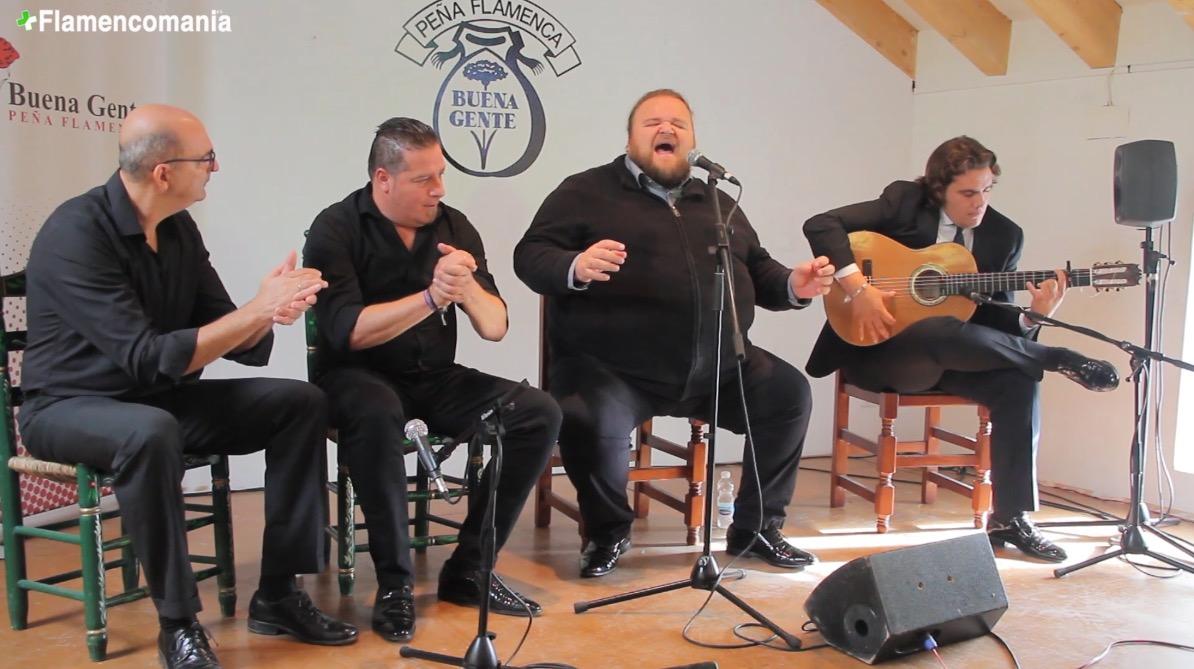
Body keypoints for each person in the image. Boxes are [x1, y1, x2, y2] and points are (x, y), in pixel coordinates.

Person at [18, 104, 357, 669]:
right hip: (68, 406)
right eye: (206, 159)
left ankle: (278, 593)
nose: (215, 168)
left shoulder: (176, 229)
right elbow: (147, 357)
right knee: (149, 432)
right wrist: (254, 311)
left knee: (299, 402)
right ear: (163, 173)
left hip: (154, 398)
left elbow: (227, 327)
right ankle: (177, 622)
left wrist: (272, 309)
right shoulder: (76, 232)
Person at [513, 89, 834, 578]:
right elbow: (530, 255)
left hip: (719, 364)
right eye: (653, 123)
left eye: (678, 124)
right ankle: (607, 533)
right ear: (629, 138)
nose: (667, 130)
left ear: (692, 140)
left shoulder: (719, 200)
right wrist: (574, 265)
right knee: (589, 419)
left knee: (789, 396)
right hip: (613, 367)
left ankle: (756, 530)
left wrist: (794, 284)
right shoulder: (584, 191)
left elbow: (757, 267)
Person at [803, 135, 1120, 563]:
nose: (980, 203)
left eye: (987, 189)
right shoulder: (905, 202)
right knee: (940, 327)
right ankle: (1056, 358)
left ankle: (1010, 518)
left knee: (1017, 377)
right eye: (968, 193)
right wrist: (857, 288)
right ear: (938, 190)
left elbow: (993, 324)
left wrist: (1033, 317)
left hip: (953, 355)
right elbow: (820, 224)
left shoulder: (1004, 235)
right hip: (879, 350)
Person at [302, 118, 560, 643]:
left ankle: (470, 569)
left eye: (441, 175)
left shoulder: (455, 226)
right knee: (374, 412)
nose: (438, 190)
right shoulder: (335, 228)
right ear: (383, 179)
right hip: (356, 376)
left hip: (434, 376)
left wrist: (465, 288)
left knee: (538, 414)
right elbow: (346, 331)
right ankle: (395, 584)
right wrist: (430, 298)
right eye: (424, 180)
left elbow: (494, 327)